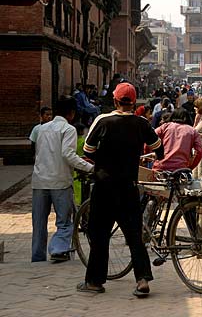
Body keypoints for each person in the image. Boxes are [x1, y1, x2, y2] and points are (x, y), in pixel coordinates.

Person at [78, 83, 162, 297]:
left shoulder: (102, 120)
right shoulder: (141, 123)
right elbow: (157, 148)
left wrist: (104, 162)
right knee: (134, 235)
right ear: (133, 102)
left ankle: (95, 281)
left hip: (104, 186)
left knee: (99, 235)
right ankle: (142, 279)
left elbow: (88, 150)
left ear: (115, 101)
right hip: (128, 186)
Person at [30, 96, 94, 263]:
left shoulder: (42, 129)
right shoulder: (68, 129)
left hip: (39, 180)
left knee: (38, 224)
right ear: (72, 113)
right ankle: (58, 249)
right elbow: (68, 155)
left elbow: (40, 153)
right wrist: (89, 168)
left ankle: (37, 258)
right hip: (59, 181)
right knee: (64, 222)